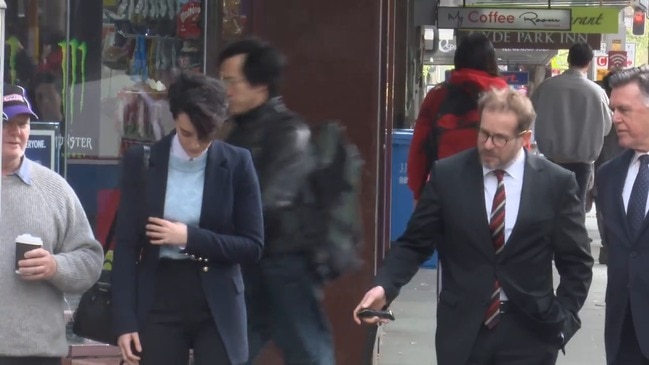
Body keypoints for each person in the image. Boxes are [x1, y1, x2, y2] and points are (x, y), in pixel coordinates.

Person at [354, 87, 594, 365]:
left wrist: (564, 321)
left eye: (500, 138)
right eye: (483, 133)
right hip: (463, 331)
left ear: (525, 139)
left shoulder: (556, 183)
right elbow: (413, 244)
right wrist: (383, 287)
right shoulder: (448, 175)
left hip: (531, 333)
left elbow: (576, 261)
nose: (488, 144)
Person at [111, 72, 264, 365]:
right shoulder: (142, 162)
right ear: (174, 119)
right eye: (186, 133)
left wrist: (189, 237)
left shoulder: (237, 163)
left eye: (207, 136)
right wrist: (125, 321)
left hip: (217, 300)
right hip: (159, 294)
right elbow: (127, 246)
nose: (195, 145)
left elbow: (252, 245)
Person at [218, 38, 334, 365]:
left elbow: (270, 199)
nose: (225, 90)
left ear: (261, 84)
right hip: (250, 265)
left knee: (309, 353)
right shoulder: (238, 131)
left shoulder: (289, 133)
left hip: (286, 265)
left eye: (232, 81)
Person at [0, 83, 104, 364]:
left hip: (34, 351)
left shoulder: (54, 189)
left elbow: (91, 260)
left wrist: (55, 266)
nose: (16, 131)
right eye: (6, 122)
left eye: (22, 123)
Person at [407, 32, 508, 202]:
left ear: (458, 59)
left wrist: (420, 193)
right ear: (491, 61)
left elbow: (419, 149)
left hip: (446, 193)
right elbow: (521, 150)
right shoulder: (508, 98)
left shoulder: (438, 96)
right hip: (494, 197)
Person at [596, 65, 649, 365]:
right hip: (623, 331)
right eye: (613, 108)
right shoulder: (609, 175)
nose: (615, 118)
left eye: (624, 110)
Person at [531, 42, 612, 209]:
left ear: (568, 59)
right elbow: (607, 128)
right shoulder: (597, 92)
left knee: (551, 209)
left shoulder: (546, 87)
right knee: (576, 209)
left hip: (551, 160)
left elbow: (530, 114)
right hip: (583, 163)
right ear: (589, 62)